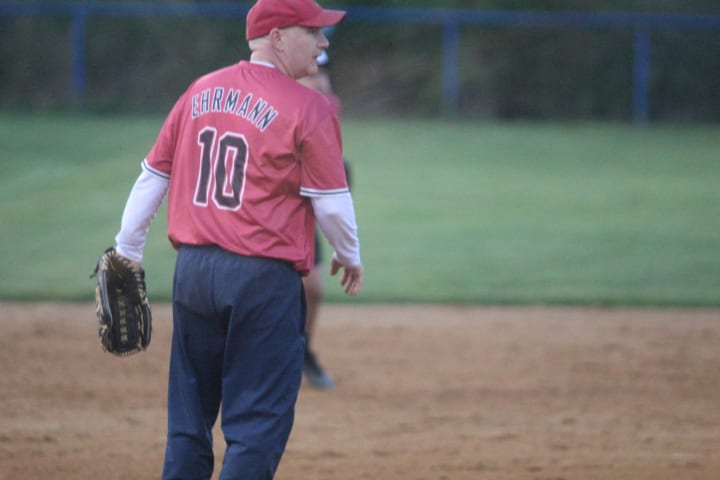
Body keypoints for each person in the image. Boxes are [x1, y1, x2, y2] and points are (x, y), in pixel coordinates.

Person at [110, 0, 363, 478]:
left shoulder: (200, 89)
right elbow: (331, 203)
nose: (323, 42)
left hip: (193, 275)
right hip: (262, 280)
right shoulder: (308, 106)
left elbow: (152, 176)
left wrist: (127, 251)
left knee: (188, 423)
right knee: (256, 427)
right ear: (277, 37)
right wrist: (349, 255)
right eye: (312, 32)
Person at [297, 49, 348, 390]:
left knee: (313, 288)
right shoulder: (278, 101)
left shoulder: (329, 106)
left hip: (303, 213)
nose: (319, 76)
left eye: (323, 70)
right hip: (267, 214)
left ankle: (302, 352)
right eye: (313, 69)